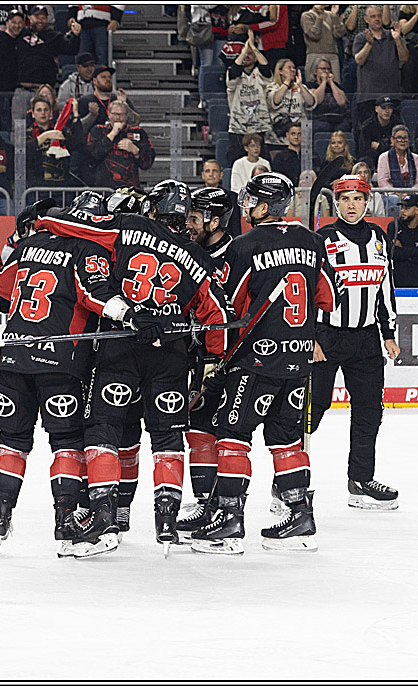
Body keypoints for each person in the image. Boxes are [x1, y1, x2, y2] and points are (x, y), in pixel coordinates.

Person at [73, 181, 231, 558]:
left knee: (104, 428)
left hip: (119, 347)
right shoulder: (197, 256)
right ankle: (166, 522)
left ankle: (104, 516)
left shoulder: (129, 226)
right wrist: (214, 360)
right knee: (167, 436)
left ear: (155, 208)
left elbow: (82, 234)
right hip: (170, 356)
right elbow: (218, 317)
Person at [191, 172, 338, 555]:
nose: (245, 207)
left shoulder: (245, 246)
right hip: (299, 358)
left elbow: (227, 306)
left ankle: (228, 518)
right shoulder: (313, 241)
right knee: (286, 439)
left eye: (251, 201)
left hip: (256, 360)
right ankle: (300, 515)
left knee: (232, 435)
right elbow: (328, 298)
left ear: (263, 206)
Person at [0, 192, 124, 556]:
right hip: (60, 364)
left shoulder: (30, 245)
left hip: (13, 357)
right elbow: (100, 299)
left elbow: (0, 287)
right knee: (66, 443)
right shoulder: (85, 248)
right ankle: (65, 520)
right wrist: (134, 315)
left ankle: (1, 515)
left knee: (12, 440)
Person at [308, 173, 400, 510]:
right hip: (326, 337)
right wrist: (312, 337)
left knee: (369, 411)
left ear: (367, 202)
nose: (351, 205)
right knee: (312, 409)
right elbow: (306, 293)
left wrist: (388, 333)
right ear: (336, 203)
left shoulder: (378, 238)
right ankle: (288, 483)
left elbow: (384, 289)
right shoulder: (322, 239)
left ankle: (360, 480)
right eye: (345, 199)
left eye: (357, 199)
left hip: (366, 338)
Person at [174, 186, 236, 540]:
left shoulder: (239, 252)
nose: (188, 223)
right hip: (200, 355)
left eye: (195, 218)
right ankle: (205, 503)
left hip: (232, 357)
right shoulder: (189, 252)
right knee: (197, 427)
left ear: (215, 220)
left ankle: (226, 506)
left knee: (226, 433)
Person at [351, 5, 407, 124]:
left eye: (379, 16)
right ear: (366, 19)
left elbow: (404, 57)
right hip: (369, 96)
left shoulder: (392, 36)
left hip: (392, 94)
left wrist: (398, 40)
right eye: (373, 16)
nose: (377, 19)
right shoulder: (361, 38)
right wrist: (369, 44)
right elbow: (359, 60)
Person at [225, 32, 273, 163]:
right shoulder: (232, 72)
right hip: (238, 128)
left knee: (261, 164)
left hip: (260, 127)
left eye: (250, 54)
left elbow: (266, 68)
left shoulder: (260, 74)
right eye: (245, 53)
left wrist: (254, 47)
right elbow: (235, 70)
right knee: (236, 163)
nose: (246, 55)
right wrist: (245, 49)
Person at [86, 100, 155, 190]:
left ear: (126, 116)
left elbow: (147, 163)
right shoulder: (98, 130)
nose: (118, 118)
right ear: (109, 114)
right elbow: (92, 157)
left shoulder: (137, 132)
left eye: (121, 114)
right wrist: (112, 134)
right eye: (115, 114)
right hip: (104, 190)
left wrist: (135, 151)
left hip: (130, 190)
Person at [16, 5, 80, 91]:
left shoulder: (54, 36)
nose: (40, 21)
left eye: (43, 18)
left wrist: (75, 36)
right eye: (37, 17)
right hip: (22, 88)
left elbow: (72, 50)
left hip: (45, 89)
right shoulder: (20, 33)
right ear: (30, 18)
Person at [265, 58, 315, 149]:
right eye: (289, 68)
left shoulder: (302, 87)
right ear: (280, 71)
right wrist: (286, 83)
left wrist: (300, 85)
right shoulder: (272, 87)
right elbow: (275, 101)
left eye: (294, 68)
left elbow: (311, 102)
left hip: (300, 138)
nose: (293, 70)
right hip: (277, 139)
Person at [356, 95, 403, 168]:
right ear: (376, 109)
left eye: (390, 108)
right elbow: (364, 150)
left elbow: (400, 147)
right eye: (383, 107)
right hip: (373, 159)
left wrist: (379, 146)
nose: (387, 111)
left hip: (393, 158)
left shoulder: (398, 125)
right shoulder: (367, 126)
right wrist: (387, 147)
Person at [200, 158, 241, 236]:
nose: (211, 174)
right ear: (203, 175)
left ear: (221, 174)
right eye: (207, 171)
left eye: (214, 171)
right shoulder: (194, 196)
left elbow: (235, 227)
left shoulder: (232, 197)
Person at [376, 124, 418, 192]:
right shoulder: (384, 157)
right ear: (392, 140)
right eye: (399, 137)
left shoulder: (416, 158)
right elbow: (382, 182)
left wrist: (409, 193)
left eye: (405, 137)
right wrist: (397, 194)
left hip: (412, 195)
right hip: (391, 195)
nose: (402, 140)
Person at [301, 5, 345, 77]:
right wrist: (319, 17)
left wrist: (335, 16)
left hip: (332, 55)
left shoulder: (330, 15)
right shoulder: (307, 16)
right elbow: (314, 35)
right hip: (314, 54)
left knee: (335, 83)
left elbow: (339, 33)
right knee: (312, 82)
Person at [308, 57, 349, 134]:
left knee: (344, 127)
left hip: (337, 119)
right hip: (319, 119)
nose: (326, 71)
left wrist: (331, 83)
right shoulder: (310, 85)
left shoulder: (335, 86)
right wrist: (323, 82)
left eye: (328, 69)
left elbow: (342, 102)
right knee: (324, 126)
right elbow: (317, 100)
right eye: (323, 69)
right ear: (315, 71)